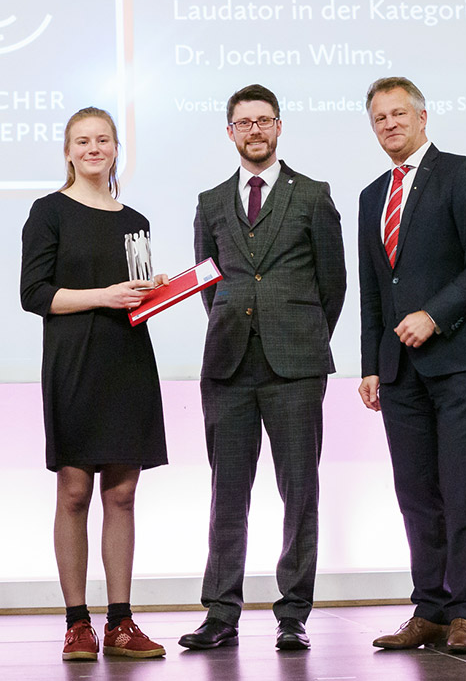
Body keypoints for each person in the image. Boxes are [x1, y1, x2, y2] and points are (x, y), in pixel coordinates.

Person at [179, 84, 346, 653]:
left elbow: (334, 286)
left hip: (296, 365)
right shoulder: (210, 201)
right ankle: (221, 613)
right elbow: (210, 281)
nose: (255, 130)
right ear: (230, 132)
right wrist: (238, 323)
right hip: (228, 364)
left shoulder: (315, 196)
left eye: (264, 121)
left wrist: (296, 329)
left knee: (299, 492)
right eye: (244, 122)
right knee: (228, 492)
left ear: (279, 127)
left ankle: (293, 613)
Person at [356, 76, 466, 654]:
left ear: (423, 117)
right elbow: (374, 290)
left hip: (463, 361)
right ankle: (431, 609)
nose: (390, 124)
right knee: (416, 492)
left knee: (462, 488)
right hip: (398, 372)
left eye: (399, 113)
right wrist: (371, 364)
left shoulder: (461, 172)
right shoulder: (372, 194)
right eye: (379, 118)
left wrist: (434, 316)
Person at [20, 107, 169, 661]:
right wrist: (105, 295)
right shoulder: (48, 212)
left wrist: (156, 291)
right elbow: (34, 294)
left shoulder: (136, 220)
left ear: (115, 148)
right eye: (82, 140)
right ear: (67, 150)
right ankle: (77, 623)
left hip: (127, 359)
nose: (93, 148)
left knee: (124, 494)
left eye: (102, 139)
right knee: (75, 491)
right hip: (74, 360)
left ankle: (122, 622)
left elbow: (139, 303)